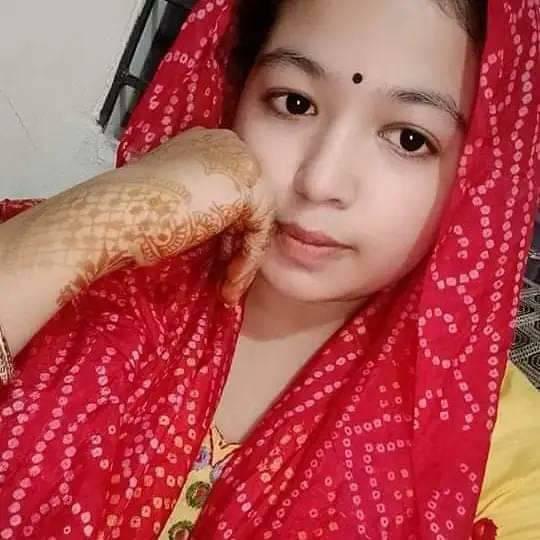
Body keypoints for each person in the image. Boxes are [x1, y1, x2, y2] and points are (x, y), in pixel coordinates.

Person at [0, 0, 539, 538]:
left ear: (484, 178)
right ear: (237, 90)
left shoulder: (496, 450)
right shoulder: (77, 261)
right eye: (295, 103)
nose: (320, 181)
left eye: (409, 139)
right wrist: (103, 218)